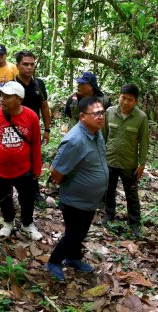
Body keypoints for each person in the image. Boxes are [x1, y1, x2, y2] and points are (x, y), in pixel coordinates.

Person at [47, 96, 108, 282]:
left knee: (81, 232)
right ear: (82, 116)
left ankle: (73, 258)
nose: (101, 117)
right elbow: (56, 173)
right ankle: (54, 261)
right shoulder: (75, 140)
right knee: (74, 235)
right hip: (75, 201)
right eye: (96, 113)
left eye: (102, 113)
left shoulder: (96, 133)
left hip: (89, 201)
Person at [0, 81, 43, 241]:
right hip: (0, 169)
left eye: (8, 96)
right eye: (2, 95)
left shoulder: (31, 116)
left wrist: (37, 167)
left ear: (19, 100)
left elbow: (36, 144)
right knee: (3, 197)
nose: (2, 99)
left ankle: (27, 224)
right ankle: (8, 221)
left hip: (24, 168)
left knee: (27, 198)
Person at [102, 84, 149, 237]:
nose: (125, 102)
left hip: (129, 163)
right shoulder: (109, 112)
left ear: (135, 101)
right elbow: (102, 136)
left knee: (131, 193)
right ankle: (109, 214)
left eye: (130, 99)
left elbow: (144, 142)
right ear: (119, 96)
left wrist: (142, 164)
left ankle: (134, 222)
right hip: (109, 159)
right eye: (123, 98)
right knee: (109, 189)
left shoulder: (140, 117)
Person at [13, 50, 51, 145]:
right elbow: (1, 109)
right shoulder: (11, 85)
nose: (29, 67)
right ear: (17, 66)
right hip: (14, 130)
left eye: (32, 64)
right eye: (25, 64)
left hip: (34, 129)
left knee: (34, 157)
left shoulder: (39, 84)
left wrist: (47, 130)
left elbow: (44, 106)